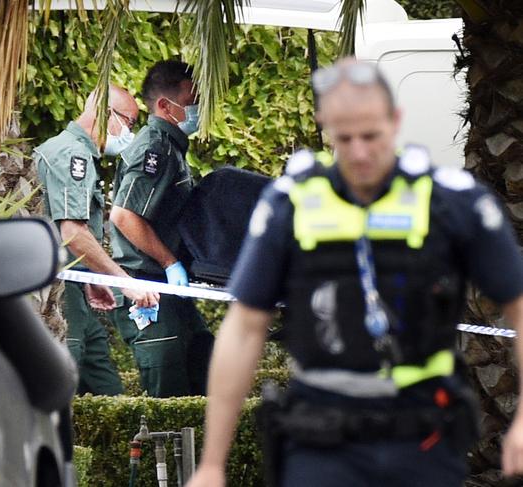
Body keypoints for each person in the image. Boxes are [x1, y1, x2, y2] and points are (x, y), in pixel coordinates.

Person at [187, 58, 523, 487]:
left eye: (371, 136)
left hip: (421, 437)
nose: (360, 152)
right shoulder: (290, 204)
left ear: (395, 121)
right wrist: (213, 463)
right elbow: (245, 327)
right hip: (322, 439)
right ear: (325, 126)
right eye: (345, 138)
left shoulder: (452, 202)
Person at [33, 84, 159, 396]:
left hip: (74, 287)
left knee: (107, 389)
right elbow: (72, 232)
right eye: (129, 123)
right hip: (55, 294)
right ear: (105, 114)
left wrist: (91, 277)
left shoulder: (80, 155)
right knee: (61, 389)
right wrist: (123, 281)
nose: (130, 132)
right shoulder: (71, 154)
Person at [108, 60, 214, 398]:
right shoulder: (155, 147)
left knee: (204, 366)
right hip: (148, 288)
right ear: (166, 106)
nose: (198, 106)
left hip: (170, 290)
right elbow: (123, 215)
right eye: (192, 98)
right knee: (168, 395)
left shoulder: (171, 147)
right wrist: (171, 263)